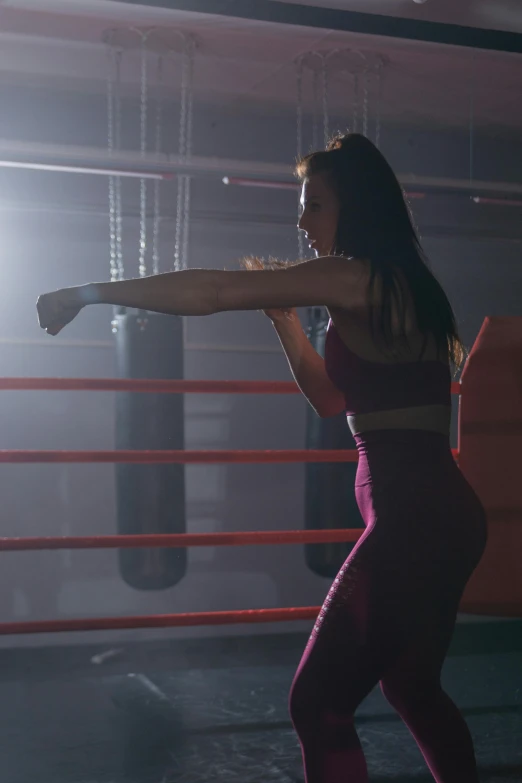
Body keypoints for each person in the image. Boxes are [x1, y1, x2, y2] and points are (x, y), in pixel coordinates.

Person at [37, 133, 487, 783]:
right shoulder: (396, 282)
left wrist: (88, 292)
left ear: (353, 206)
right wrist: (285, 322)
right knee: (413, 688)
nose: (302, 222)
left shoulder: (351, 275)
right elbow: (333, 401)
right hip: (443, 515)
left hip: (414, 519)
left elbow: (215, 290)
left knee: (316, 705)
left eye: (315, 205)